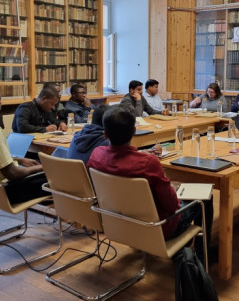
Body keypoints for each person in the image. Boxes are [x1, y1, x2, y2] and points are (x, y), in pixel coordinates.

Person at [87, 106, 214, 260]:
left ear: (105, 134)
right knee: (205, 198)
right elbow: (172, 206)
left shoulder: (96, 155)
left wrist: (139, 153)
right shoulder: (148, 163)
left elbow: (119, 160)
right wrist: (173, 189)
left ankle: (185, 249)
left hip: (119, 225)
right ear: (134, 131)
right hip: (158, 228)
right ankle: (203, 255)